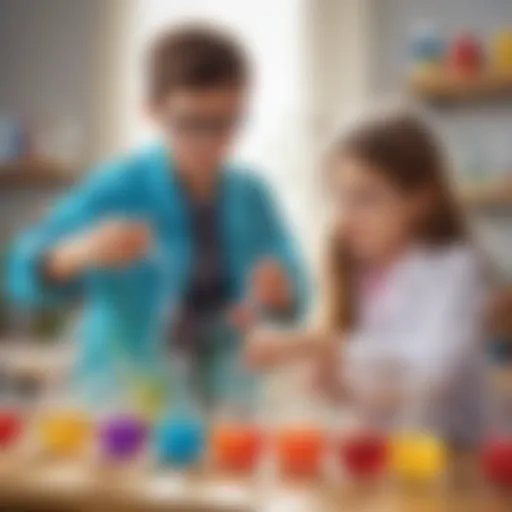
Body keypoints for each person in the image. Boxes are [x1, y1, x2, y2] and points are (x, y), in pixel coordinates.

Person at [6, 25, 308, 409]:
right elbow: (18, 270)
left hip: (231, 404)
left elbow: (296, 287)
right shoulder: (117, 188)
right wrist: (79, 252)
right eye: (193, 123)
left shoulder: (252, 195)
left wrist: (283, 291)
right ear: (152, 111)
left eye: (228, 122)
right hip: (126, 405)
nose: (213, 141)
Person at [245, 109, 488, 447]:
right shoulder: (357, 271)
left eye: (365, 198)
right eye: (339, 198)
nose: (345, 217)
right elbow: (368, 392)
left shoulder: (453, 270)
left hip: (458, 457)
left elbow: (432, 374)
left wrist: (325, 348)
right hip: (388, 463)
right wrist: (327, 380)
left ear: (420, 199)